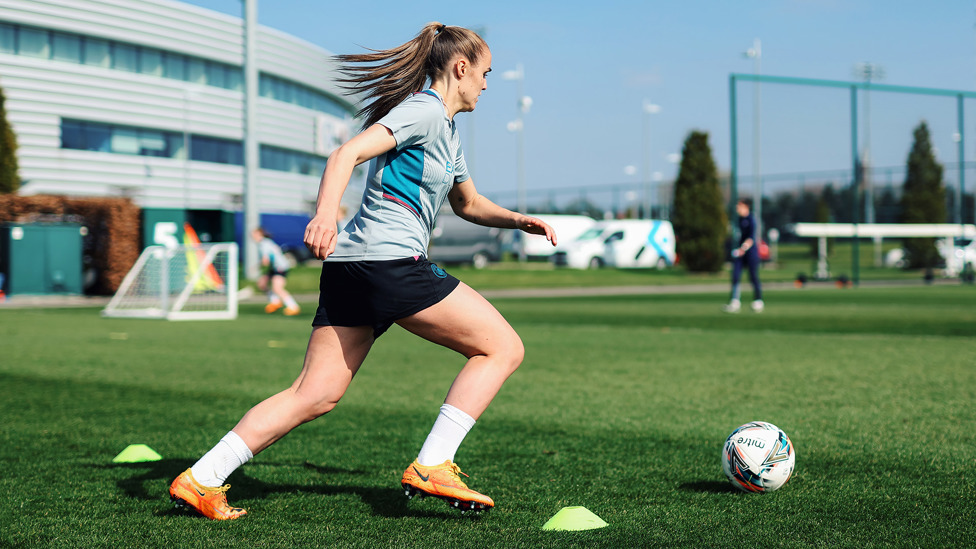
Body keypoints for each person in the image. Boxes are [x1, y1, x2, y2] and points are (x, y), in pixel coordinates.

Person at [169, 22, 556, 520]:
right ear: (461, 68)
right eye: (485, 73)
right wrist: (325, 213)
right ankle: (434, 462)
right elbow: (345, 153)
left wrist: (518, 220)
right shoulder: (424, 110)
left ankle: (202, 477)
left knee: (314, 394)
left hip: (353, 267)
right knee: (502, 347)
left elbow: (469, 203)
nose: (486, 84)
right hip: (388, 262)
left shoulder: (447, 130)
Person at [724, 198, 764, 313]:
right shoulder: (738, 220)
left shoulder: (751, 219)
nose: (737, 208)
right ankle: (735, 301)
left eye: (739, 206)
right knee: (735, 276)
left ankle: (758, 300)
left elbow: (751, 238)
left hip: (750, 253)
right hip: (740, 253)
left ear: (746, 207)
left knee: (753, 276)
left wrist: (743, 248)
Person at [251, 227, 301, 316]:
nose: (252, 236)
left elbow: (266, 261)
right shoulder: (266, 242)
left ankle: (293, 307)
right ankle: (275, 301)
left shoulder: (263, 243)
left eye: (254, 234)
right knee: (262, 284)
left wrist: (257, 266)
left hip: (280, 267)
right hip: (274, 267)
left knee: (277, 288)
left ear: (260, 234)